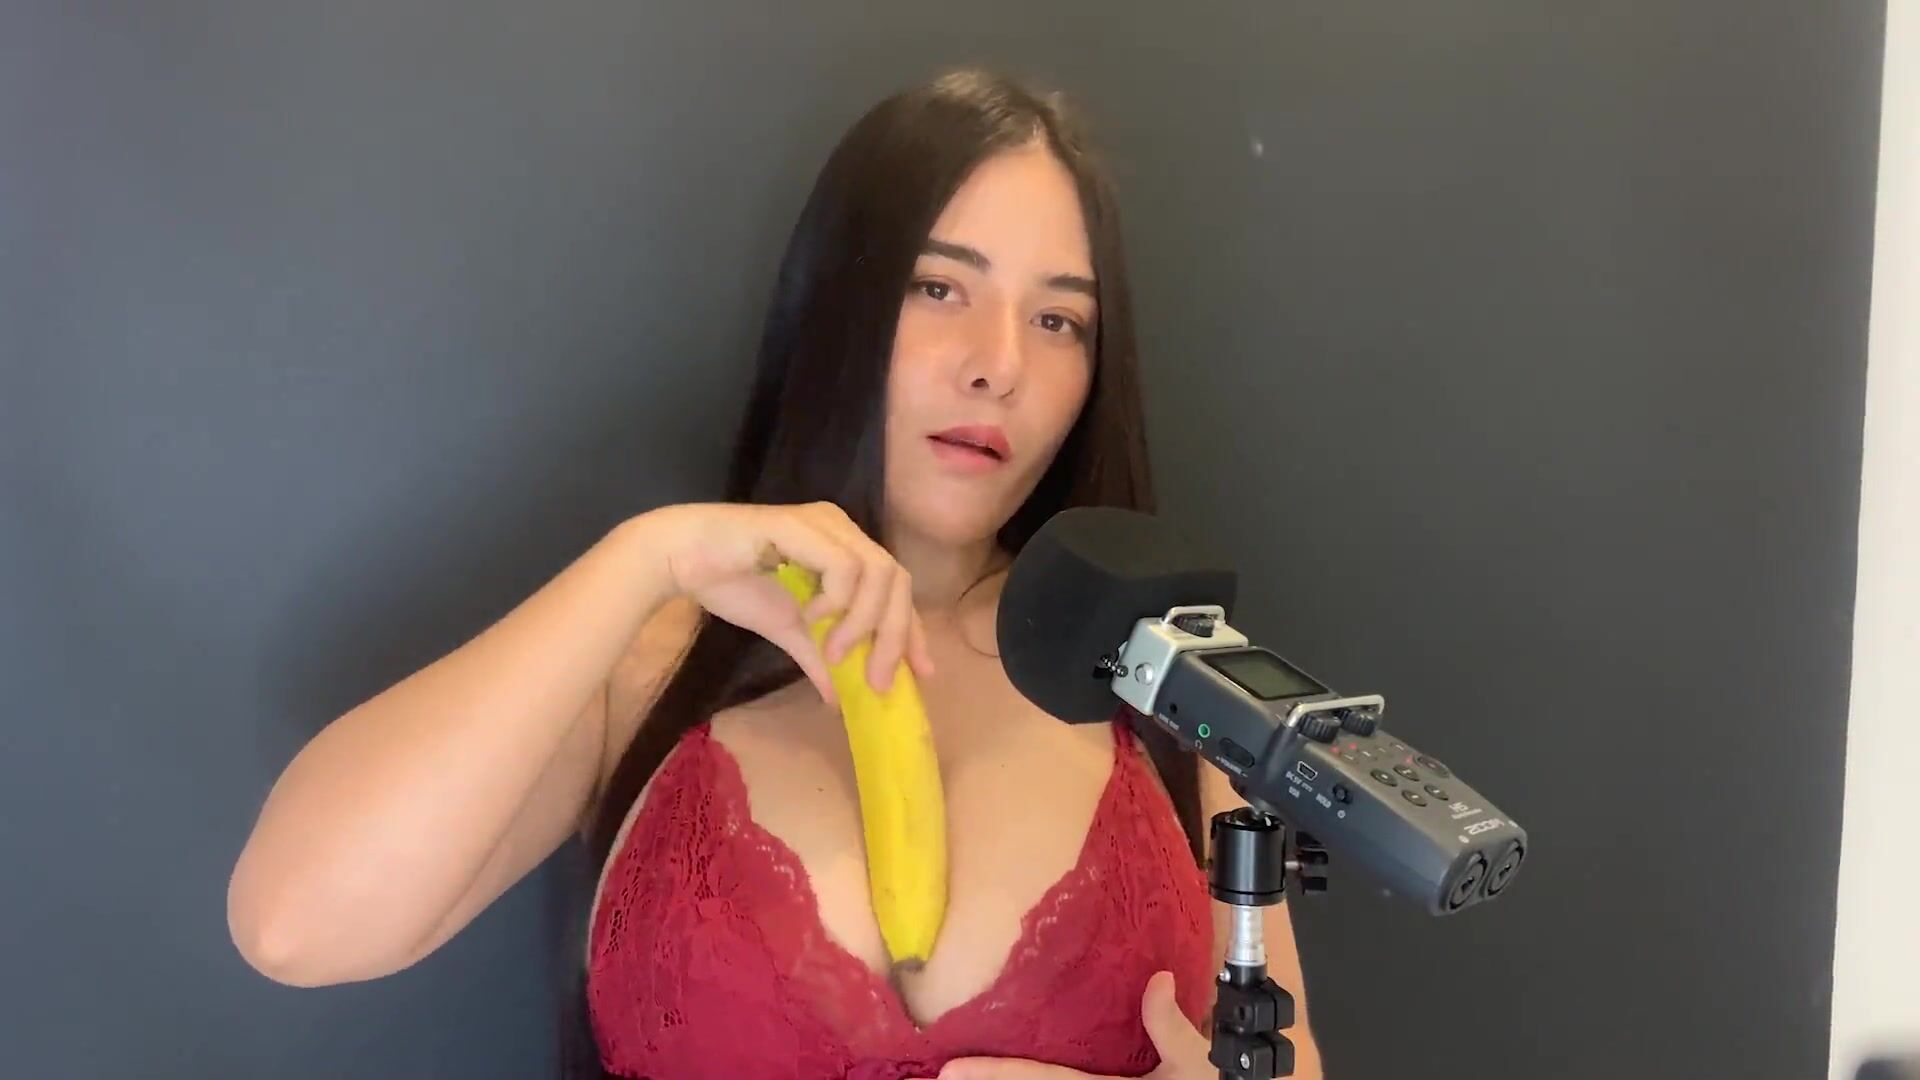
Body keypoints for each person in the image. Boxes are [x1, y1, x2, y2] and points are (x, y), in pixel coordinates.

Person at [227, 68, 1322, 1080]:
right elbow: (295, 925)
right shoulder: (653, 663)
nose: (999, 364)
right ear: (842, 300)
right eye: (939, 287)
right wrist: (645, 560)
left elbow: (1290, 1062)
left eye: (1057, 319)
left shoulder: (1171, 681)